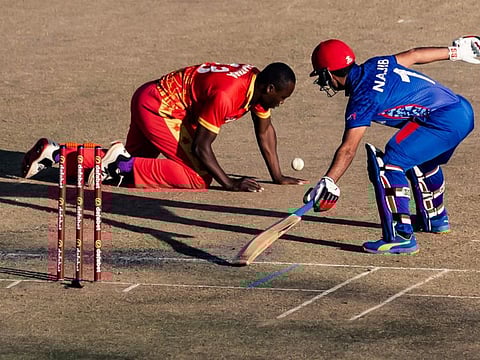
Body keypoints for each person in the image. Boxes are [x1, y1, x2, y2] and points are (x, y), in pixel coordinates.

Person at [303, 36, 479, 254]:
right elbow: (415, 54)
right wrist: (456, 53)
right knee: (417, 156)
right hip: (461, 109)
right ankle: (434, 218)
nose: (323, 82)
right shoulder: (377, 63)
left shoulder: (362, 98)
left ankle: (401, 236)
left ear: (328, 73)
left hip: (444, 120)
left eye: (321, 76)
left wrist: (329, 180)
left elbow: (348, 149)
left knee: (392, 161)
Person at [22, 62, 308, 191]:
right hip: (159, 108)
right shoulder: (228, 94)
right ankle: (121, 165)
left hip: (150, 97)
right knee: (199, 176)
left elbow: (265, 132)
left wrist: (278, 176)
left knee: (133, 162)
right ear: (270, 88)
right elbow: (202, 147)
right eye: (282, 98)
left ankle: (54, 155)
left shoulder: (256, 87)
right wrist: (229, 182)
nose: (281, 103)